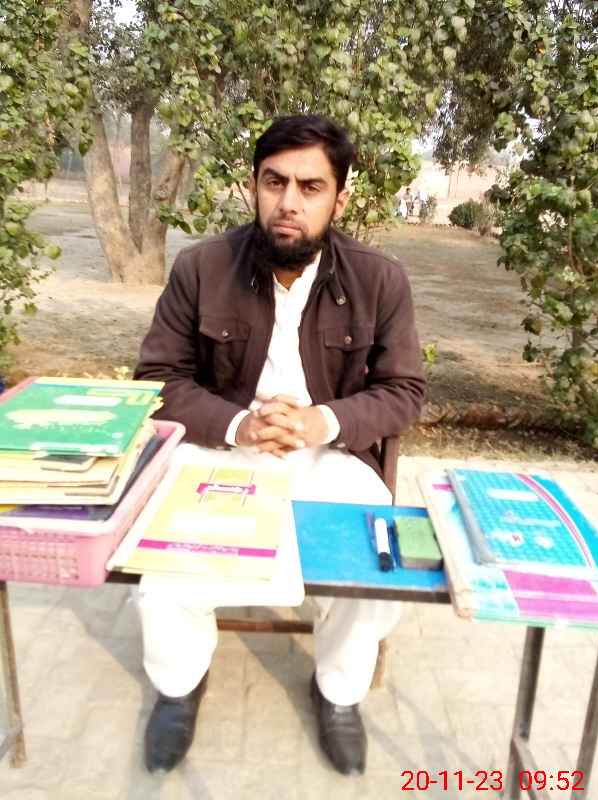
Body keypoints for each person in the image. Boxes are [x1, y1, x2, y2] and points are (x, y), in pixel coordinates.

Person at [134, 114, 426, 777]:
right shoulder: (201, 268)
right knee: (165, 574)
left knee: (373, 576)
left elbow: (404, 390)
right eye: (274, 182)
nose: (289, 202)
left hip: (331, 454)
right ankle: (179, 685)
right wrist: (239, 425)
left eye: (310, 187)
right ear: (253, 187)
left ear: (340, 199)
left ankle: (339, 692)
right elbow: (157, 381)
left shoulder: (380, 280)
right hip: (221, 448)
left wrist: (321, 422)